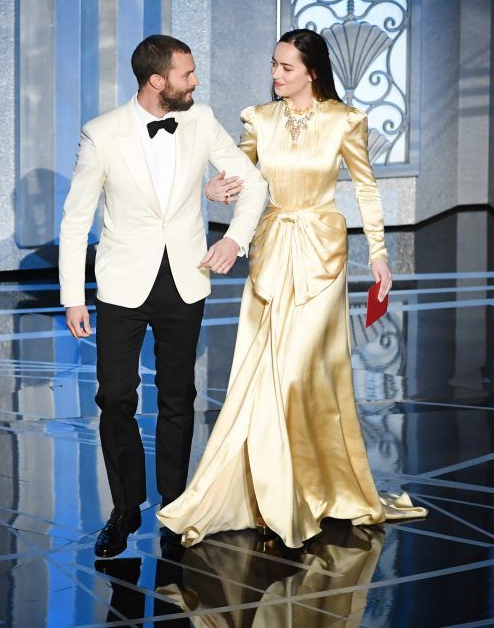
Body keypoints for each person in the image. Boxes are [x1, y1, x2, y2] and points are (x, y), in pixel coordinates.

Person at [157, 29, 426, 549]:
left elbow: (366, 187)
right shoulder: (258, 119)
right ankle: (267, 493)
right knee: (264, 373)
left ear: (312, 72)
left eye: (285, 67)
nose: (275, 75)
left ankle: (310, 486)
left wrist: (379, 253)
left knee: (303, 374)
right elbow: (239, 174)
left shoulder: (345, 121)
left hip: (323, 257)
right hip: (273, 250)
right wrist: (212, 190)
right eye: (274, 65)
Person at [58, 34, 267, 558]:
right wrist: (72, 296)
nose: (195, 82)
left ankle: (175, 506)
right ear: (158, 81)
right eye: (187, 74)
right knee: (116, 398)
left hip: (185, 279)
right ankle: (126, 508)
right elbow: (76, 218)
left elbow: (252, 180)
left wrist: (235, 238)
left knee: (179, 397)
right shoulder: (101, 134)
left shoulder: (200, 118)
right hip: (123, 284)